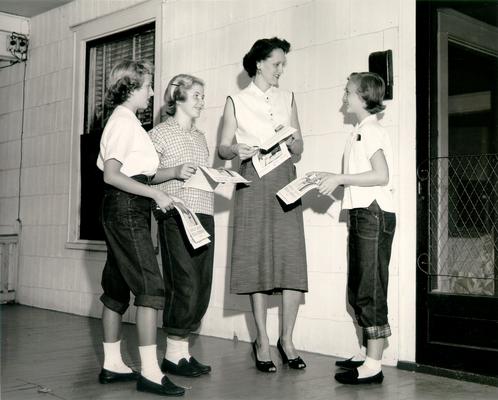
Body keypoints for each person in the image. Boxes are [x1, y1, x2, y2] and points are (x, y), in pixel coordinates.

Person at [219, 37, 308, 372]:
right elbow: (223, 148)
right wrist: (235, 150)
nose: (281, 70)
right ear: (259, 63)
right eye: (276, 64)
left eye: (284, 64)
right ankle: (262, 341)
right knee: (257, 259)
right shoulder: (237, 101)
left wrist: (292, 140)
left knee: (290, 260)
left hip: (285, 178)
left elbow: (300, 147)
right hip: (253, 180)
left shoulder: (288, 98)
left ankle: (287, 339)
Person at [97, 60, 185, 396]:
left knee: (117, 285)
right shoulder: (122, 121)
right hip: (125, 207)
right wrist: (154, 193)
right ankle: (150, 372)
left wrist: (173, 171)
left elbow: (140, 172)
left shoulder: (128, 122)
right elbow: (113, 174)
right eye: (148, 86)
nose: (152, 93)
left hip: (125, 205)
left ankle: (112, 363)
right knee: (151, 286)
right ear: (132, 87)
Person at [308, 72, 396, 384]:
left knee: (370, 287)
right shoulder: (361, 131)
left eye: (347, 92)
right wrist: (331, 175)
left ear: (361, 97)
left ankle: (373, 365)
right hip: (362, 213)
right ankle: (365, 352)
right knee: (359, 286)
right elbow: (362, 173)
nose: (344, 97)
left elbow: (380, 175)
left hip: (373, 214)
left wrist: (341, 179)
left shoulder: (370, 131)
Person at [149, 74, 215, 378]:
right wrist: (175, 171)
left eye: (203, 96)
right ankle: (172, 356)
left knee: (201, 284)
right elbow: (146, 176)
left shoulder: (201, 137)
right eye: (197, 96)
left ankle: (182, 354)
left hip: (205, 214)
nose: (202, 101)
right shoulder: (159, 134)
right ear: (178, 98)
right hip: (176, 214)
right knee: (184, 282)